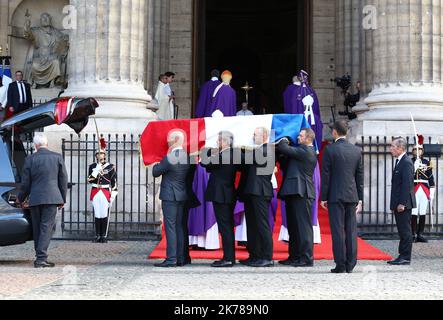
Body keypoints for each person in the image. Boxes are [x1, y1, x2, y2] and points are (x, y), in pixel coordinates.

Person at [17, 133, 68, 268]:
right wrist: (62, 199)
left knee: (38, 228)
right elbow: (63, 180)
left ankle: (40, 257)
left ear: (35, 145)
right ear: (47, 143)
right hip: (52, 198)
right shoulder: (57, 157)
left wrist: (20, 198)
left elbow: (25, 183)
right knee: (46, 227)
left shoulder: (30, 159)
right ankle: (41, 258)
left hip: (35, 198)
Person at [321, 120, 363, 273]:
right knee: (351, 230)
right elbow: (360, 176)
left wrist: (323, 197)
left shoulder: (330, 150)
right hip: (352, 195)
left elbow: (326, 176)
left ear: (334, 132)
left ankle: (340, 264)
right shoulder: (356, 150)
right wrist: (360, 198)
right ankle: (351, 264)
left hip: (335, 195)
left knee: (338, 230)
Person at [278, 128, 318, 268]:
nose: (298, 137)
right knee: (293, 227)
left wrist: (283, 136)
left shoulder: (307, 151)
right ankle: (294, 256)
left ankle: (307, 258)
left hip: (302, 193)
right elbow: (285, 159)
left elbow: (284, 147)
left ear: (308, 138)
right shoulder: (300, 151)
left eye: (300, 135)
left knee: (303, 227)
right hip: (294, 191)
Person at [152, 130, 190, 267]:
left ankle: (171, 258)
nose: (167, 142)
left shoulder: (170, 157)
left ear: (175, 140)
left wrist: (159, 161)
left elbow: (155, 172)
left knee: (170, 227)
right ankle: (181, 258)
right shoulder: (187, 156)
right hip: (182, 194)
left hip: (170, 195)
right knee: (179, 226)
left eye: (169, 139)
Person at [201, 131, 237, 268]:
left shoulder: (224, 155)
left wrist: (206, 149)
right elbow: (212, 169)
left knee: (225, 227)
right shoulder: (232, 154)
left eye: (219, 140)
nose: (217, 142)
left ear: (225, 142)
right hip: (227, 193)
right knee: (227, 226)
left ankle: (228, 258)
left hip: (221, 194)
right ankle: (230, 257)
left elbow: (206, 164)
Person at [241, 127, 275, 267]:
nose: (253, 137)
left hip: (260, 191)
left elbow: (245, 158)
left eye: (255, 135)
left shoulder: (266, 150)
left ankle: (267, 256)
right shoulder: (259, 150)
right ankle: (254, 254)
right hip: (252, 191)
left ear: (265, 136)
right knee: (252, 225)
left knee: (262, 225)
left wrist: (235, 148)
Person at [388, 137, 416, 266]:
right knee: (402, 230)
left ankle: (405, 256)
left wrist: (402, 203)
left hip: (403, 204)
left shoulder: (406, 162)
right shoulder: (400, 161)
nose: (390, 148)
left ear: (400, 148)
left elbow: (407, 185)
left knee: (405, 230)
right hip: (399, 203)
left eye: (393, 146)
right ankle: (402, 255)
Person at [88, 146, 118, 244]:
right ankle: (97, 235)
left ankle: (104, 236)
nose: (100, 155)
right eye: (98, 154)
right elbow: (90, 180)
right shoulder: (92, 166)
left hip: (105, 192)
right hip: (95, 191)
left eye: (101, 153)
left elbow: (114, 182)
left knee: (104, 214)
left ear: (104, 155)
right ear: (96, 155)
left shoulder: (110, 167)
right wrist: (96, 170)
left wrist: (113, 194)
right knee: (97, 213)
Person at [411, 136, 435, 243]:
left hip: (424, 189)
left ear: (422, 151)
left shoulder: (427, 162)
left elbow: (430, 178)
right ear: (413, 151)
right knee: (414, 212)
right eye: (415, 149)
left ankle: (420, 234)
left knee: (422, 212)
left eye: (419, 149)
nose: (418, 151)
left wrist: (432, 191)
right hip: (414, 188)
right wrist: (414, 168)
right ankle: (412, 234)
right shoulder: (409, 161)